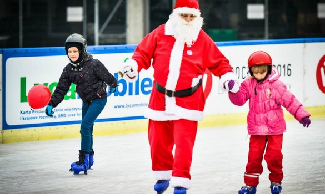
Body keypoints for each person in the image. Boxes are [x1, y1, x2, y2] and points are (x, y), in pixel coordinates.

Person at [119, 0, 239, 194]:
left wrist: (227, 78)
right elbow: (142, 54)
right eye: (185, 15)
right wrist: (133, 66)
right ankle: (163, 174)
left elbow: (220, 63)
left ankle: (181, 179)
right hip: (160, 98)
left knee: (184, 144)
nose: (188, 20)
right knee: (157, 141)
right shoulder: (160, 33)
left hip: (189, 101)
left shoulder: (202, 39)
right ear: (176, 15)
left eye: (192, 16)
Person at [226, 51, 311, 194]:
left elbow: (289, 100)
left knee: (274, 156)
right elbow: (239, 100)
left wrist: (301, 115)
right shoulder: (248, 84)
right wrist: (233, 90)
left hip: (275, 130)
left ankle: (276, 181)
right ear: (251, 71)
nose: (259, 75)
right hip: (256, 130)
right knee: (253, 158)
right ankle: (250, 184)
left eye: (262, 72)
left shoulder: (276, 85)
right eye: (255, 72)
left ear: (269, 69)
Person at [45, 33, 118, 175]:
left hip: (99, 99)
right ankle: (89, 158)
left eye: (75, 51)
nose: (72, 54)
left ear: (82, 50)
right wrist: (51, 104)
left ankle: (83, 160)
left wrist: (113, 84)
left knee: (84, 126)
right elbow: (61, 89)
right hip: (86, 100)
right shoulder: (68, 70)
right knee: (87, 128)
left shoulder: (94, 64)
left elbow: (107, 76)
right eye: (69, 51)